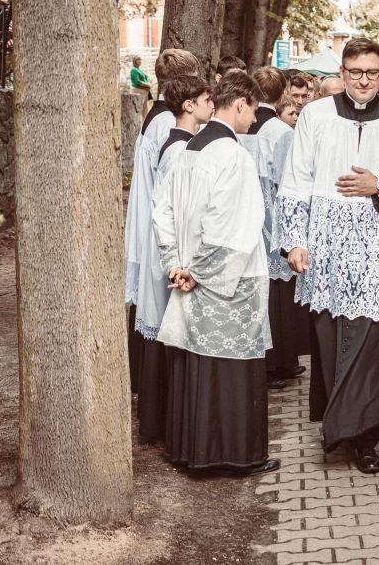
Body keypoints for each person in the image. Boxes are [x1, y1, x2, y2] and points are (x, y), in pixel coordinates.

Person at [275, 37, 379, 474]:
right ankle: (339, 422)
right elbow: (294, 179)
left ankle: (364, 435)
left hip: (377, 245)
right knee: (331, 338)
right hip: (325, 245)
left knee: (373, 341)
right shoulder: (316, 116)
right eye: (356, 72)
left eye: (372, 73)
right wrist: (294, 240)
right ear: (342, 75)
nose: (364, 80)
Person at [152, 71, 279, 475]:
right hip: (227, 280)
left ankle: (190, 448)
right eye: (253, 109)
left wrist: (177, 264)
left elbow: (163, 211)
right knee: (230, 369)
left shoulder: (188, 150)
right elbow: (235, 226)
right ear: (240, 103)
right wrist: (201, 272)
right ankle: (232, 454)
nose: (255, 118)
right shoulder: (234, 156)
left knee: (195, 364)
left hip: (191, 270)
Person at [134, 74, 213, 444]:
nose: (212, 106)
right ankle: (169, 422)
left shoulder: (182, 144)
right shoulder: (180, 150)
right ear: (188, 105)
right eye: (206, 99)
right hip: (174, 253)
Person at [124, 48, 201, 394]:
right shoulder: (166, 123)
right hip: (160, 230)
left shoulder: (157, 117)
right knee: (160, 311)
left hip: (150, 224)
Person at [242, 67, 306, 390]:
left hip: (248, 214)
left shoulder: (244, 128)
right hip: (272, 217)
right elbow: (288, 179)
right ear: (281, 93)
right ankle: (279, 360)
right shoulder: (281, 132)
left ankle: (267, 359)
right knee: (278, 292)